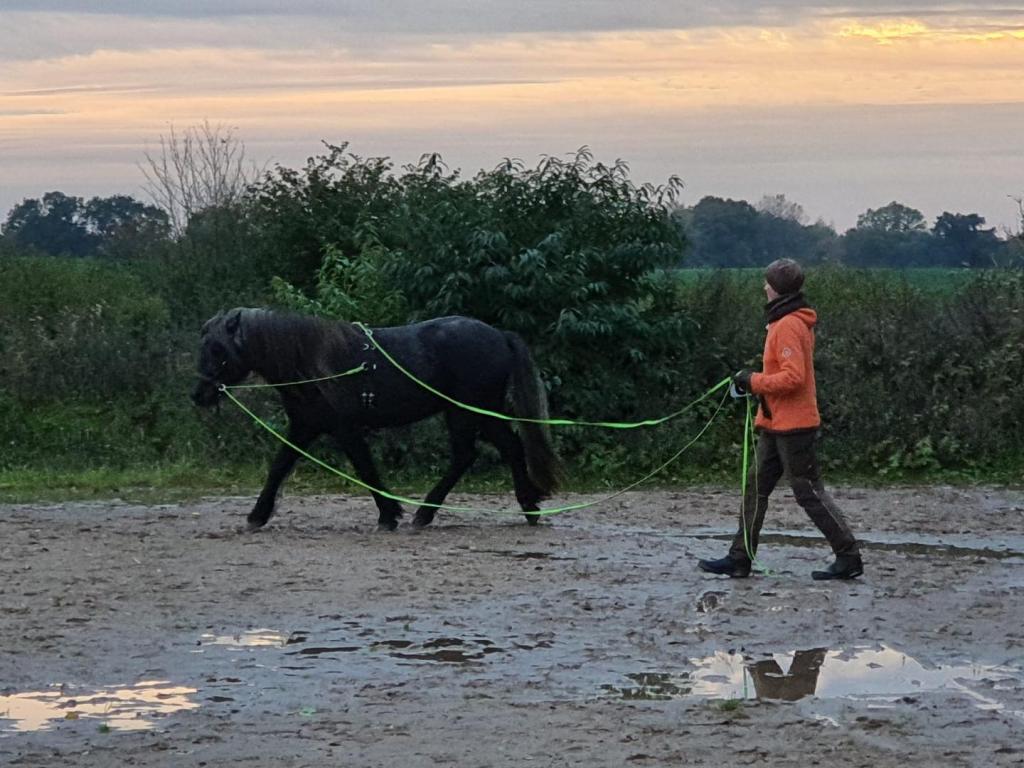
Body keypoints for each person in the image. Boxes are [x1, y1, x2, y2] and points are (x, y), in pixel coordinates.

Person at [698, 258, 863, 580]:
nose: (764, 287)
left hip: (795, 426)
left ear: (777, 288)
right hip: (775, 423)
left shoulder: (788, 324)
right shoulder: (784, 320)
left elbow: (793, 378)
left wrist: (753, 381)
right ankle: (739, 557)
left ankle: (849, 556)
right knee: (755, 487)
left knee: (807, 492)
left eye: (768, 282)